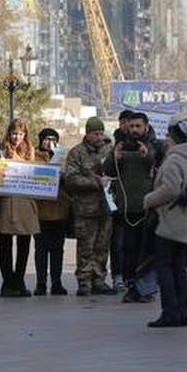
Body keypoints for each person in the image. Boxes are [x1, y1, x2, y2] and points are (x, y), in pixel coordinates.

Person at [143, 118, 187, 328]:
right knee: (179, 268)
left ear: (173, 136)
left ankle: (170, 312)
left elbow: (170, 189)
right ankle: (181, 312)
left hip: (170, 221)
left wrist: (149, 199)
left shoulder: (175, 160)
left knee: (165, 267)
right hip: (185, 221)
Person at [61, 117, 116, 297]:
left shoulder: (110, 150)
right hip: (85, 209)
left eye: (101, 133)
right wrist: (96, 182)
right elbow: (71, 179)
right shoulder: (77, 153)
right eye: (95, 134)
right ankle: (84, 281)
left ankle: (99, 279)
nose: (99, 137)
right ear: (88, 134)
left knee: (102, 246)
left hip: (106, 207)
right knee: (86, 247)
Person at [110, 112, 159, 304]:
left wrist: (148, 157)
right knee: (128, 249)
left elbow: (160, 167)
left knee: (147, 250)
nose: (135, 130)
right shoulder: (120, 146)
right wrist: (115, 157)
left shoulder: (155, 146)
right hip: (127, 208)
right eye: (131, 126)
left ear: (146, 127)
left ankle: (147, 288)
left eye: (138, 126)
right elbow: (108, 170)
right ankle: (131, 286)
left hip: (148, 207)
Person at [0, 120, 39, 297]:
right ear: (9, 134)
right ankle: (8, 282)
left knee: (24, 243)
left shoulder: (30, 150)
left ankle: (19, 281)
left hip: (25, 201)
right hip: (7, 201)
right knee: (5, 243)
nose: (17, 137)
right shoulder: (1, 150)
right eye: (14, 133)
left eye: (20, 134)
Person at [32, 127, 70, 296]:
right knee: (40, 249)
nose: (50, 142)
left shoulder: (63, 157)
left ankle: (57, 282)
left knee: (57, 249)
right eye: (46, 139)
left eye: (53, 139)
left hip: (60, 209)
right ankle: (41, 282)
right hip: (40, 211)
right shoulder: (33, 156)